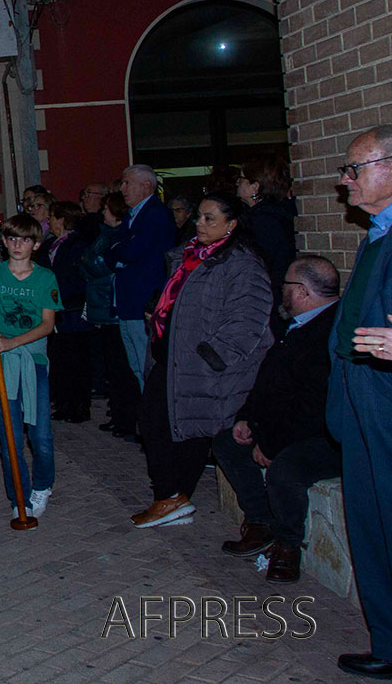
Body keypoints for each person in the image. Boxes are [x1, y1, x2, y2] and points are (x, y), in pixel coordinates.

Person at [130, 193, 272, 529]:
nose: (199, 224)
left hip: (200, 366)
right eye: (199, 217)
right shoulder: (191, 255)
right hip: (171, 357)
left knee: (188, 429)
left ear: (232, 224)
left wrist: (211, 356)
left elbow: (248, 320)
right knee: (155, 424)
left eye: (210, 218)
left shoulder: (241, 263)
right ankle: (172, 497)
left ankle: (173, 497)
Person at [216, 255, 341, 584]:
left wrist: (271, 441)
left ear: (300, 291)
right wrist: (247, 418)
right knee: (227, 443)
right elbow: (269, 384)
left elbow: (315, 407)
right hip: (288, 425)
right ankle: (261, 521)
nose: (279, 291)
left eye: (285, 285)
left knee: (286, 468)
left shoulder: (329, 332)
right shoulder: (300, 325)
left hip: (326, 436)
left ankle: (288, 544)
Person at [326, 127, 392, 679]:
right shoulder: (377, 231)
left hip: (389, 398)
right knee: (370, 522)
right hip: (362, 393)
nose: (343, 180)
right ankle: (389, 643)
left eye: (354, 168)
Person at [0, 214, 61, 518]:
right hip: (3, 364)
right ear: (4, 242)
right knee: (10, 437)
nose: (18, 245)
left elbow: (47, 325)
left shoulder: (45, 277)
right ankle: (19, 492)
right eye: (12, 239)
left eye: (26, 239)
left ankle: (42, 485)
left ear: (36, 244)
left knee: (40, 435)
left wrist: (11, 343)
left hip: (33, 361)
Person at [113, 165, 177, 394]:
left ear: (146, 185)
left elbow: (130, 251)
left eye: (127, 182)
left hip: (143, 299)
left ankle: (154, 417)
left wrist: (120, 250)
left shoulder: (155, 215)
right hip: (129, 301)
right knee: (136, 365)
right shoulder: (133, 216)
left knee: (145, 362)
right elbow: (117, 249)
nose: (122, 188)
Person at [83, 194, 130, 436]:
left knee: (120, 367)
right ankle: (119, 413)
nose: (102, 213)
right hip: (102, 306)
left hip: (111, 307)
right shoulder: (105, 233)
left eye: (106, 209)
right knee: (113, 366)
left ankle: (125, 417)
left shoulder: (119, 234)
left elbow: (100, 263)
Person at [47, 201, 92, 423]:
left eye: (52, 217)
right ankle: (64, 404)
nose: (49, 222)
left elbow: (79, 277)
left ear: (62, 219)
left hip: (74, 310)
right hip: (60, 310)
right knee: (61, 360)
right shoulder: (54, 244)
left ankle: (79, 406)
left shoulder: (77, 244)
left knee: (77, 360)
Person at [238, 153, 297, 297]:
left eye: (241, 179)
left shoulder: (263, 221)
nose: (237, 183)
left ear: (255, 187)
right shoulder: (279, 212)